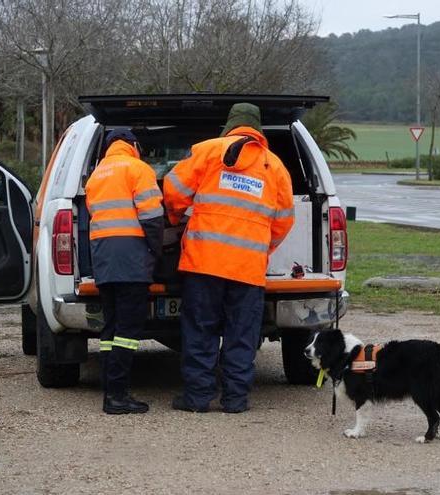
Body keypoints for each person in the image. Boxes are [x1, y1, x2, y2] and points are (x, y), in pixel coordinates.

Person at [163, 103, 295, 413]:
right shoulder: (274, 167)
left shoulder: (209, 151)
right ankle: (235, 399)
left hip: (204, 263)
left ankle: (197, 398)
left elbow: (173, 188)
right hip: (247, 270)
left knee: (200, 331)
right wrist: (261, 247)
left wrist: (174, 217)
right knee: (242, 334)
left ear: (230, 125)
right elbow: (284, 220)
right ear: (258, 129)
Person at [85, 128, 164, 414]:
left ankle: (111, 393)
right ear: (132, 145)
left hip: (104, 260)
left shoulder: (97, 175)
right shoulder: (137, 169)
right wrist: (157, 252)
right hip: (131, 260)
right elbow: (152, 217)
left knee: (110, 330)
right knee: (127, 332)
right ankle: (118, 397)